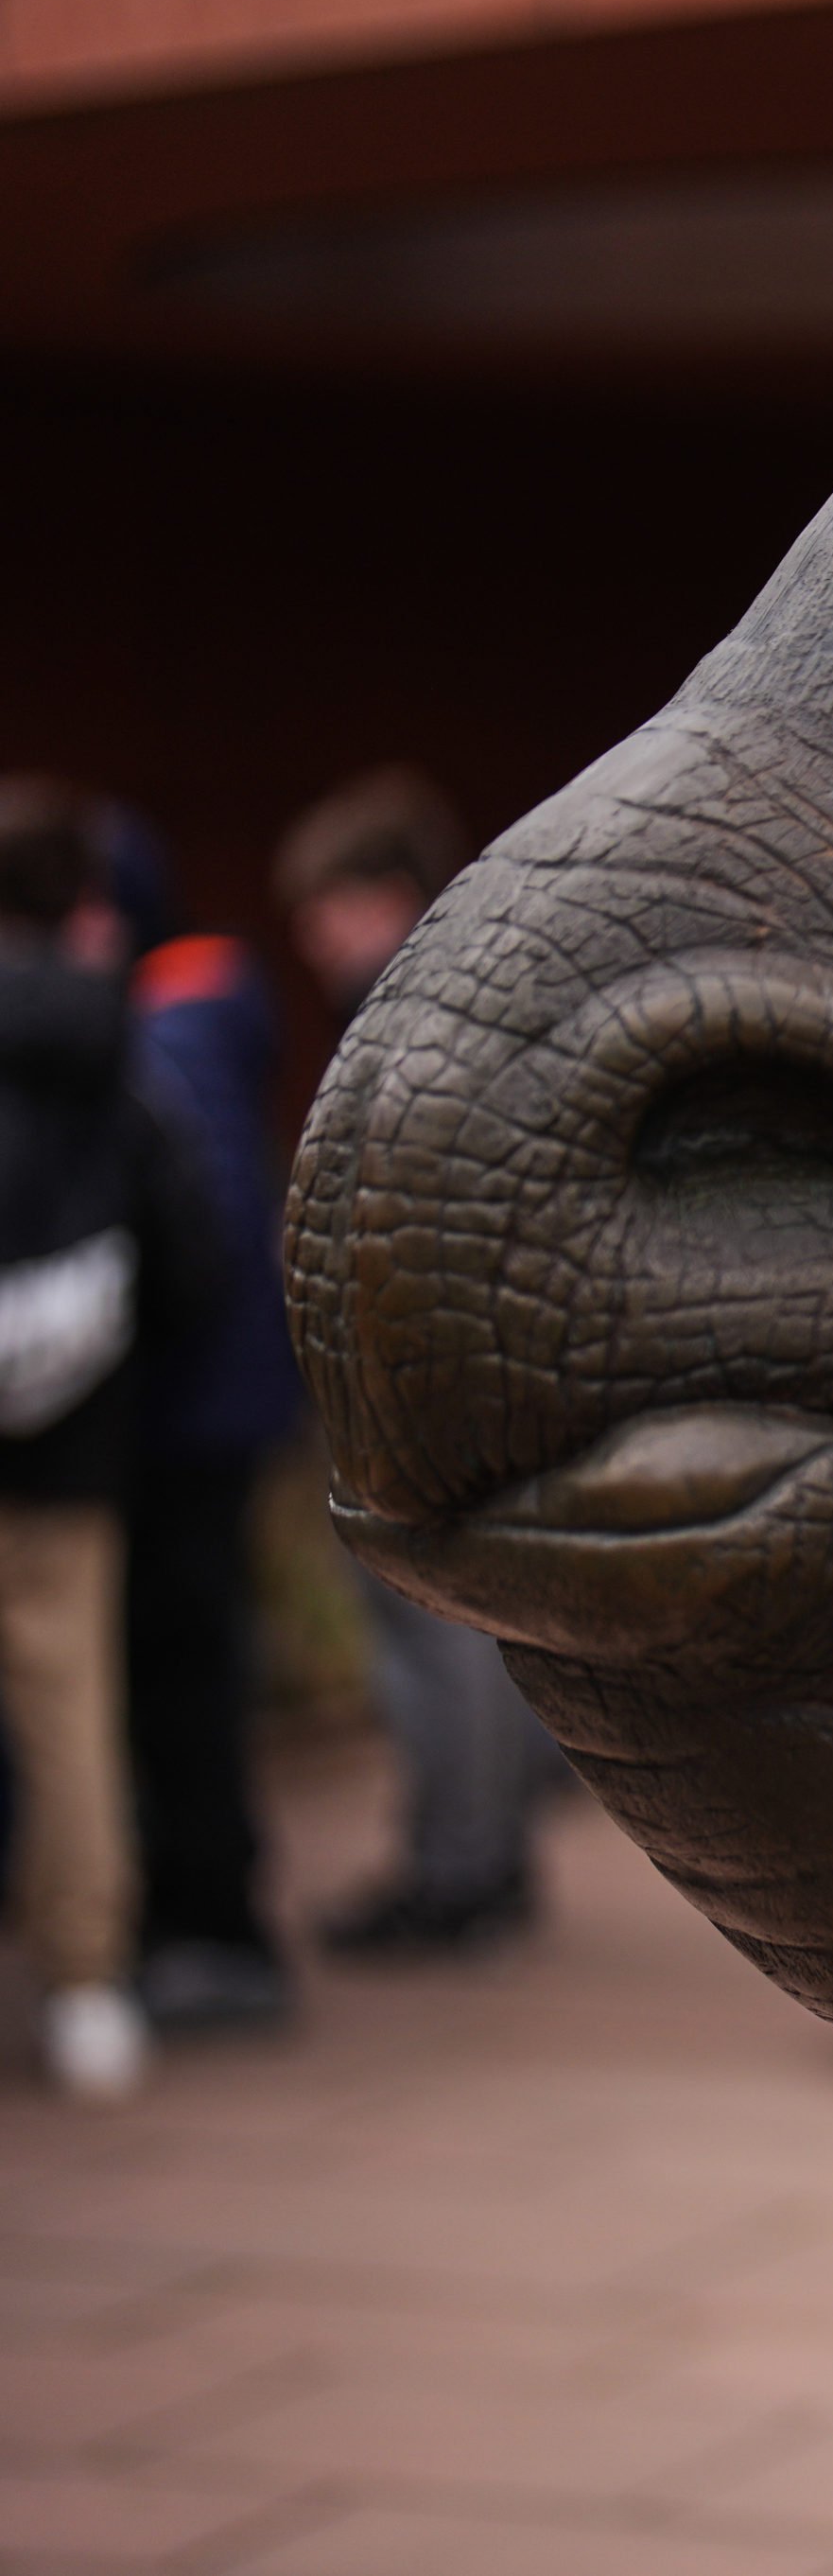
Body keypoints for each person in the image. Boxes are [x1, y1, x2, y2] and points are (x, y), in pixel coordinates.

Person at [274, 768, 566, 1955]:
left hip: (424, 1374)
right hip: (487, 1362)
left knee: (432, 1629)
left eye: (328, 907)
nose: (311, 938)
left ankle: (458, 1875)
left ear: (386, 898)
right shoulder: (490, 995)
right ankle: (484, 1856)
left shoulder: (401, 1016)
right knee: (475, 1629)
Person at [1, 779, 219, 2101]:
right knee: (71, 1720)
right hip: (75, 1451)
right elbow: (190, 1245)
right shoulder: (114, 1054)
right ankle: (87, 1984)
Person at [102, 807, 303, 2028]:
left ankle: (214, 1927)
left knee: (185, 1679)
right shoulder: (206, 1021)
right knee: (200, 1670)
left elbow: (201, 1245)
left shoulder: (166, 1034)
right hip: (218, 1415)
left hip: (182, 1426)